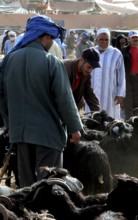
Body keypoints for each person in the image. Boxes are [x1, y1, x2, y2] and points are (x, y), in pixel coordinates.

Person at [0, 15, 82, 188]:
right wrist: (75, 128)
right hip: (48, 135)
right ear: (44, 36)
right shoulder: (51, 62)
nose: (52, 42)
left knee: (26, 188)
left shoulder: (9, 61)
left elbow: (2, 98)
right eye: (51, 38)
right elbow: (64, 99)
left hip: (20, 135)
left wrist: (9, 125)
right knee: (48, 188)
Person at [87, 28, 126, 119]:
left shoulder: (116, 53)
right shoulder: (90, 52)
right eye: (101, 39)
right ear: (96, 39)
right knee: (92, 119)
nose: (104, 42)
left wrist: (120, 93)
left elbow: (121, 74)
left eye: (106, 39)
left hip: (110, 94)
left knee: (109, 119)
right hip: (92, 92)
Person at [63, 48, 101, 112]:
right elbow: (62, 96)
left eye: (93, 68)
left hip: (71, 107)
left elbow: (89, 94)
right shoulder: (65, 69)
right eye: (89, 67)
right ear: (81, 60)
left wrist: (98, 113)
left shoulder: (86, 74)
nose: (90, 71)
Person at [122, 30, 138, 119]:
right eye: (133, 38)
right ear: (129, 39)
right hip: (127, 77)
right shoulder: (124, 51)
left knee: (137, 100)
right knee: (128, 100)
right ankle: (128, 120)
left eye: (136, 37)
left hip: (137, 77)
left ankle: (136, 119)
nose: (135, 39)